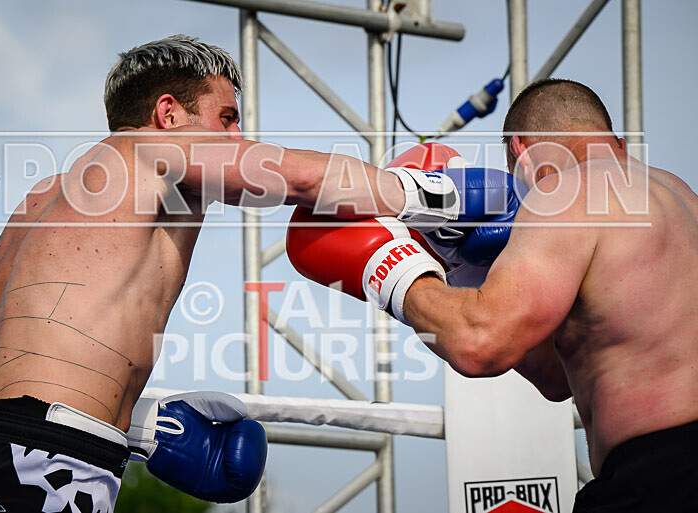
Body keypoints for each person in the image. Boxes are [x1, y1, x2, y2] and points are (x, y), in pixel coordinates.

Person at [0, 33, 461, 512]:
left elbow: (11, 375)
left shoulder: (42, 200)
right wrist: (434, 196)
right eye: (226, 118)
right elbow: (297, 178)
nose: (237, 138)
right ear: (168, 113)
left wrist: (136, 429)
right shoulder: (144, 153)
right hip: (42, 466)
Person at [288, 79, 698, 512]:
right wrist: (469, 273)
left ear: (520, 151)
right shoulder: (681, 198)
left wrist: (391, 267)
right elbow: (561, 378)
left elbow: (477, 343)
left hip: (662, 475)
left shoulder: (566, 190)